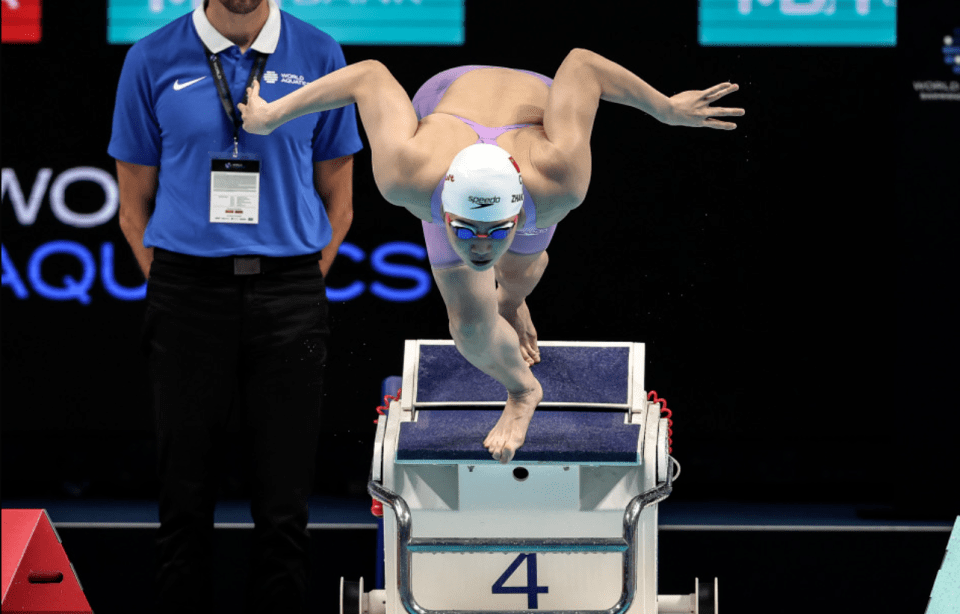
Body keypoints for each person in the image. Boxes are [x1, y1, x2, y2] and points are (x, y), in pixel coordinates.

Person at [239, 49, 743, 465]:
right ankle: (523, 391)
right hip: (449, 100)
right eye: (465, 231)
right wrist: (270, 115)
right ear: (443, 211)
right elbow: (368, 76)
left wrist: (664, 108)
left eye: (496, 231)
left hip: (532, 113)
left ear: (519, 213)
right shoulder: (410, 175)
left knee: (520, 271)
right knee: (470, 324)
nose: (480, 246)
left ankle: (514, 300)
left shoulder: (557, 181)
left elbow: (582, 66)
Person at [108, 0, 362, 611]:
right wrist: (171, 282)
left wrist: (304, 278)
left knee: (284, 507)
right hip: (187, 294)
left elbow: (340, 199)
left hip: (290, 293)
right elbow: (133, 205)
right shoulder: (150, 58)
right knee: (183, 501)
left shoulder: (320, 53)